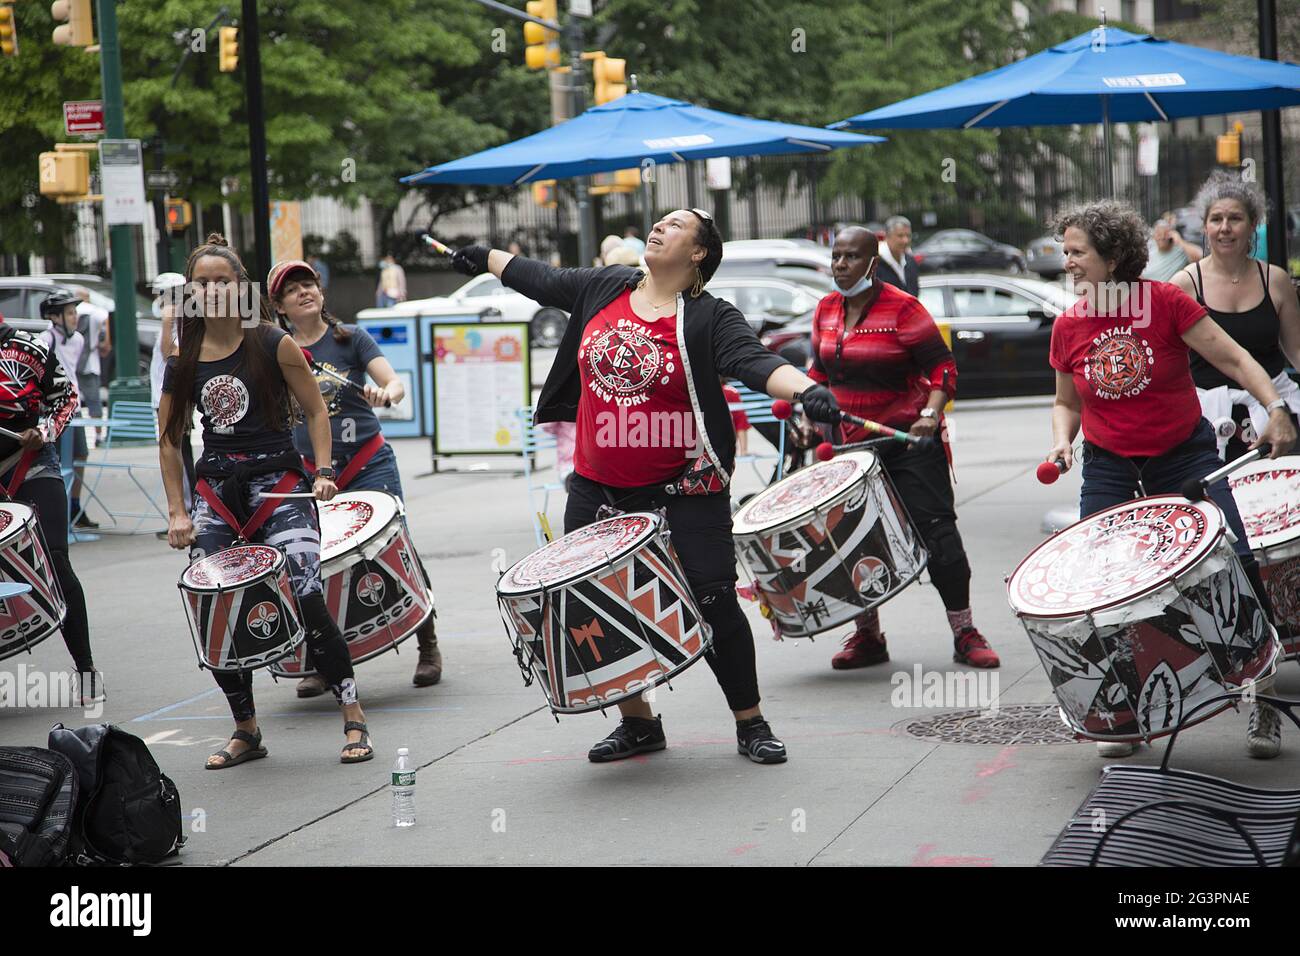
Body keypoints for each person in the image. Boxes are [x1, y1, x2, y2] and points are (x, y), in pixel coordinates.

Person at [448, 208, 842, 765]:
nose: (658, 227)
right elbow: (540, 277)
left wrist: (804, 391)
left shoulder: (710, 316)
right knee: (600, 600)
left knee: (713, 599)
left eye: (675, 225)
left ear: (700, 252)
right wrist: (483, 257)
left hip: (686, 485)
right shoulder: (605, 287)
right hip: (597, 486)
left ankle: (749, 722)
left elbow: (755, 361)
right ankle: (639, 724)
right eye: (659, 221)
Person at [1044, 200, 1296, 760]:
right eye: (1066, 252)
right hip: (1110, 465)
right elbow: (1065, 402)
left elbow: (1234, 359)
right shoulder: (1069, 323)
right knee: (1101, 588)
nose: (1068, 263)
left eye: (1077, 252)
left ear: (1112, 257)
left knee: (1237, 558)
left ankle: (1265, 694)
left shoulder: (1164, 302)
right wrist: (1063, 440)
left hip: (1183, 456)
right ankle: (1127, 712)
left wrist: (1276, 406)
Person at [159, 234, 374, 768]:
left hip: (277, 482)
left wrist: (323, 472)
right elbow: (170, 438)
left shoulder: (273, 342)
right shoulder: (181, 359)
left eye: (222, 282)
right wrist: (178, 511)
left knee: (304, 591)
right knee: (215, 604)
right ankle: (246, 728)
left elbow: (317, 412)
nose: (211, 292)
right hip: (217, 490)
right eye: (201, 284)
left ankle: (352, 713)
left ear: (241, 289)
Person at [808, 226, 1000, 673]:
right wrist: (810, 414)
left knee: (940, 539)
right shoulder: (826, 310)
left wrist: (930, 414)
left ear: (872, 264)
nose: (840, 265)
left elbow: (942, 368)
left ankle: (965, 631)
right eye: (836, 256)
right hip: (850, 450)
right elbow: (818, 374)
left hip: (908, 442)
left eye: (850, 257)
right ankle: (868, 636)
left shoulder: (903, 308)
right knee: (851, 545)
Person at [268, 257, 444, 694]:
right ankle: (321, 659)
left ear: (322, 293)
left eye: (310, 284)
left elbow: (395, 382)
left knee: (395, 547)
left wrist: (387, 392)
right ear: (281, 307)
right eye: (293, 289)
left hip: (368, 461)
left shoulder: (351, 340)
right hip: (312, 472)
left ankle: (427, 641)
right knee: (313, 563)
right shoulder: (278, 349)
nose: (305, 291)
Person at [1172, 173, 1300, 759]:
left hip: (1276, 422)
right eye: (1216, 219)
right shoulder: (1183, 283)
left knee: (1278, 553)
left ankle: (1271, 679)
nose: (1225, 228)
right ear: (1205, 225)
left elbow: (1296, 356)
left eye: (1236, 218)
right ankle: (1248, 685)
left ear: (1254, 226)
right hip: (1209, 434)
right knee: (1229, 558)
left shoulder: (1276, 281)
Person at [1, 292, 101, 703]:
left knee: (55, 560)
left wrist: (43, 432)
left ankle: (86, 669)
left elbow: (67, 398)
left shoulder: (29, 346)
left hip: (30, 463)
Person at [1142, 212, 1203, 282]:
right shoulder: (1150, 249)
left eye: (1165, 233)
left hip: (1166, 290)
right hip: (1147, 288)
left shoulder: (1179, 250)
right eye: (1158, 234)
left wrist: (1180, 241)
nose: (1162, 237)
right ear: (1154, 236)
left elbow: (1199, 256)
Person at [876, 215, 920, 296]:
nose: (905, 240)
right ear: (887, 236)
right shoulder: (875, 264)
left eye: (908, 235)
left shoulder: (910, 261)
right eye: (900, 236)